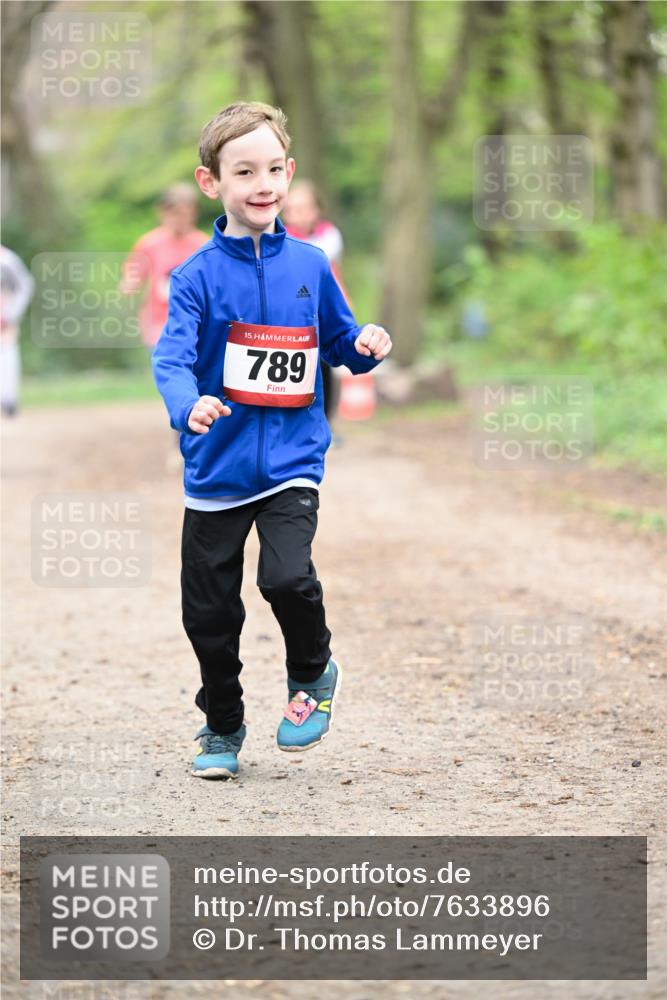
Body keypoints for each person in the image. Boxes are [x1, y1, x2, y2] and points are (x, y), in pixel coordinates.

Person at [151, 101, 392, 779]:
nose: (263, 183)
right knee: (208, 614)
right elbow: (171, 357)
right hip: (215, 468)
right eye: (244, 171)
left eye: (274, 169)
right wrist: (186, 404)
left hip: (291, 459)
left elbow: (341, 342)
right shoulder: (195, 276)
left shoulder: (311, 266)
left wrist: (367, 346)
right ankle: (222, 726)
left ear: (289, 174)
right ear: (211, 184)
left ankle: (313, 672)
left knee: (285, 575)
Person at [121, 184, 208, 469]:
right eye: (175, 214)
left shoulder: (202, 244)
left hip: (197, 324)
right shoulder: (149, 243)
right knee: (176, 380)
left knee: (196, 380)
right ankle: (181, 441)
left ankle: (189, 440)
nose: (181, 220)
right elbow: (134, 272)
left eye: (186, 214)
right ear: (163, 213)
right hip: (159, 324)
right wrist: (129, 284)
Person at [283, 180, 348, 425]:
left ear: (316, 209)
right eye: (291, 209)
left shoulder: (329, 235)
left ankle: (326, 420)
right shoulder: (283, 237)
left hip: (323, 311)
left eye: (303, 208)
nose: (297, 215)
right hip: (295, 314)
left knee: (326, 365)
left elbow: (334, 273)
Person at [1, 245, 35, 419]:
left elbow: (25, 285)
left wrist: (10, 314)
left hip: (3, 319)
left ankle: (8, 400)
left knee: (6, 354)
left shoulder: (7, 259)